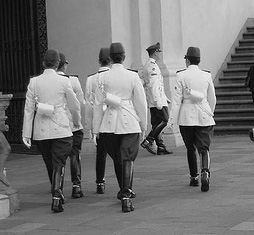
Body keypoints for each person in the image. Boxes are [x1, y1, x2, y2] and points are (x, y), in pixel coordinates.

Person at [22, 49, 81, 213]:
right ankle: (56, 196)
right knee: (58, 164)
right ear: (57, 64)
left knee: (51, 164)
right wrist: (76, 122)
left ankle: (57, 193)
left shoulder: (34, 82)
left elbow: (28, 109)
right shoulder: (64, 81)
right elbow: (74, 105)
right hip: (61, 128)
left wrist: (26, 133)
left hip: (41, 130)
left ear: (43, 63)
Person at [93, 42, 147, 212]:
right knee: (127, 158)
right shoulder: (132, 76)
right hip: (129, 121)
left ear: (110, 58)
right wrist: (143, 124)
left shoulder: (102, 77)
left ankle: (123, 189)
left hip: (108, 123)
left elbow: (97, 105)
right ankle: (126, 193)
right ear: (124, 57)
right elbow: (141, 102)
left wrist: (95, 130)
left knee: (118, 158)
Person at [170, 46, 216, 192]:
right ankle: (205, 172)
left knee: (190, 148)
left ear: (188, 60)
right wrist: (210, 112)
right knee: (204, 148)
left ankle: (194, 177)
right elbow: (212, 98)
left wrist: (173, 120)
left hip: (187, 116)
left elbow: (176, 101)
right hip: (203, 114)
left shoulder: (181, 76)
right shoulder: (206, 75)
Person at [57, 52, 86, 198]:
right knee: (74, 155)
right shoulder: (73, 80)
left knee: (57, 158)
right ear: (65, 65)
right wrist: (78, 122)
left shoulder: (47, 80)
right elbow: (79, 103)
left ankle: (56, 186)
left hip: (58, 124)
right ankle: (76, 185)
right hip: (72, 124)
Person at [85, 48, 110, 194]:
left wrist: (90, 126)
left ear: (99, 61)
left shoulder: (91, 79)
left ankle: (100, 182)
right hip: (115, 118)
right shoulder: (114, 76)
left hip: (99, 120)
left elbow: (89, 104)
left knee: (101, 153)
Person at [140, 42, 173, 155]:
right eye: (159, 51)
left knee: (156, 123)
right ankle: (149, 140)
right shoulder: (152, 66)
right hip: (156, 100)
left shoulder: (151, 64)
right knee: (164, 120)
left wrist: (164, 97)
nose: (160, 53)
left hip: (157, 99)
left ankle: (161, 147)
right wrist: (158, 101)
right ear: (155, 53)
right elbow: (153, 85)